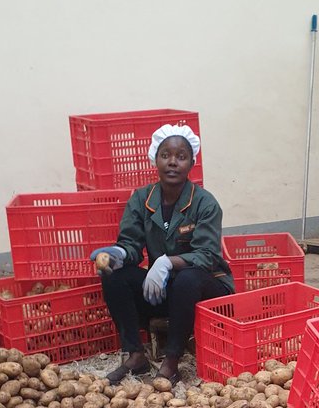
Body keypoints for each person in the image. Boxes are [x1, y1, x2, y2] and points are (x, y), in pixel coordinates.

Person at [91, 123, 234, 385]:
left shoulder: (205, 203)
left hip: (208, 289)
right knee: (115, 275)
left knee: (187, 277)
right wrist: (117, 254)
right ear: (155, 159)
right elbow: (131, 244)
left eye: (181, 157)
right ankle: (135, 354)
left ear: (192, 162)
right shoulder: (142, 199)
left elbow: (207, 255)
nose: (172, 162)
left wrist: (168, 262)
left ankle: (172, 361)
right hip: (169, 291)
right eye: (165, 155)